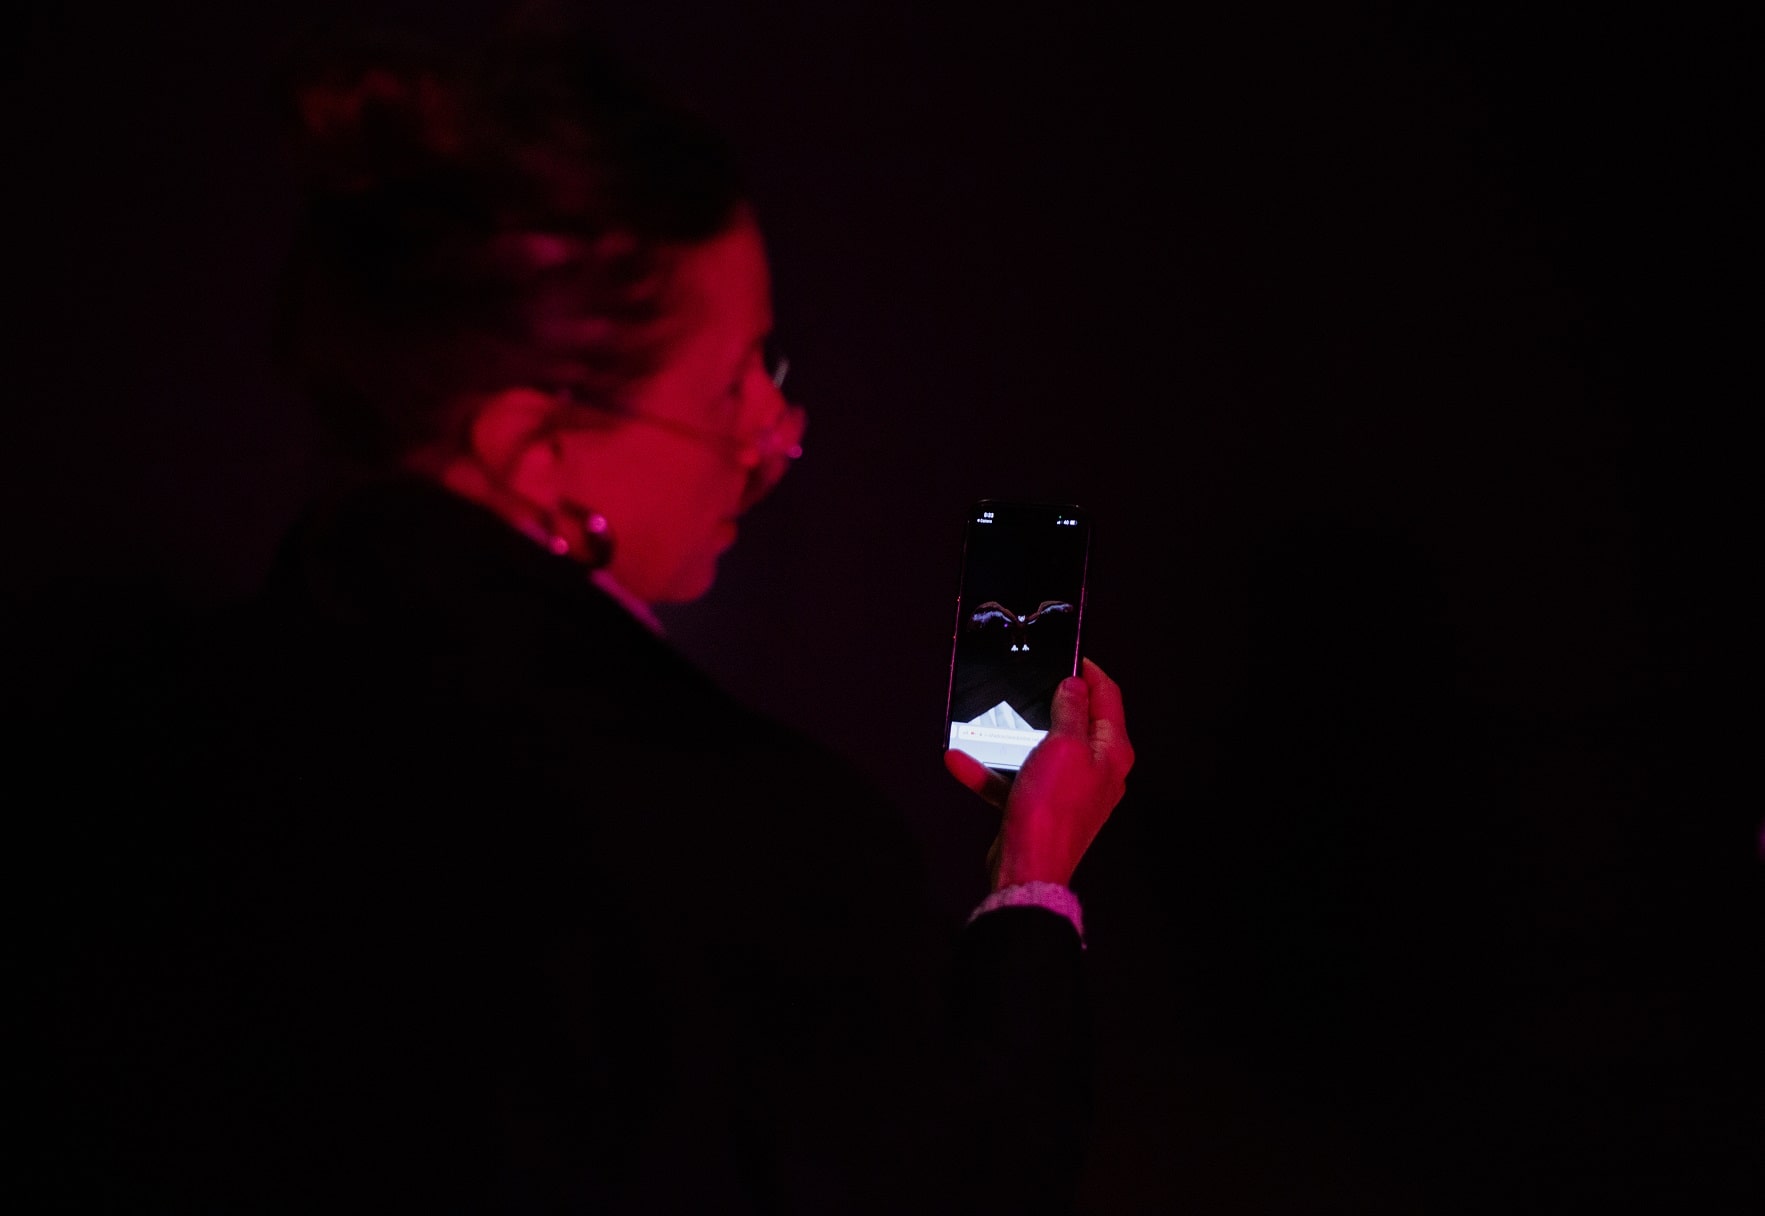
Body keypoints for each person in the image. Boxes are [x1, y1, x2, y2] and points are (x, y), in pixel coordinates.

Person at [22, 12, 1133, 1214]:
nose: (783, 432)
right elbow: (970, 1173)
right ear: (534, 453)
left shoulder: (128, 732)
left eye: (779, 369)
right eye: (735, 380)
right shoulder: (748, 847)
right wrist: (1034, 879)